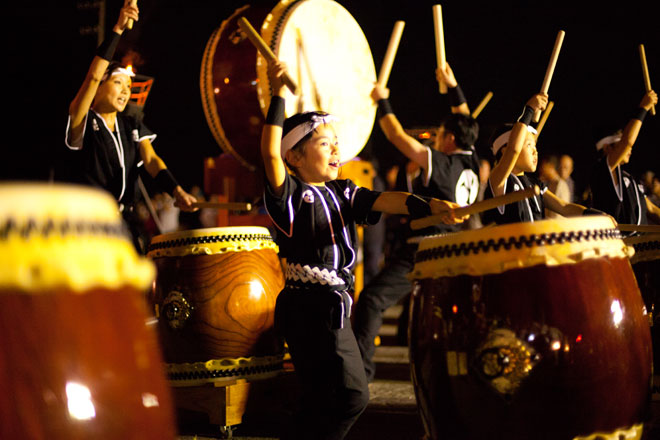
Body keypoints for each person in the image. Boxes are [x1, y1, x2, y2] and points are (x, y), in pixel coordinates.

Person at [261, 61, 465, 440]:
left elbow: (386, 200)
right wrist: (278, 95)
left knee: (323, 398)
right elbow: (269, 155)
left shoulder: (344, 192)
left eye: (336, 142)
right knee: (351, 396)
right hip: (308, 308)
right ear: (295, 157)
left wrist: (430, 205)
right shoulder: (290, 195)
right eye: (324, 143)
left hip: (329, 306)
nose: (336, 148)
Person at [353, 63, 481, 383]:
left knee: (370, 301)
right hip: (452, 249)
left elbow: (395, 135)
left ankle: (359, 373)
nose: (436, 140)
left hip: (422, 250)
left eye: (440, 135)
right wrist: (453, 88)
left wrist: (382, 100)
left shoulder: (436, 159)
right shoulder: (473, 162)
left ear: (449, 138)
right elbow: (465, 119)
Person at [64, 0, 197, 252]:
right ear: (99, 86)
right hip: (90, 226)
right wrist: (117, 29)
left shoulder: (131, 124)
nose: (126, 92)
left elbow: (151, 159)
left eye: (128, 87)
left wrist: (176, 190)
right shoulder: (83, 121)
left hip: (126, 225)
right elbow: (93, 76)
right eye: (118, 84)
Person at [482, 92, 597, 225]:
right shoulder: (498, 180)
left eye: (535, 146)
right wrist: (529, 109)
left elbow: (565, 208)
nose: (535, 151)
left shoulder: (535, 184)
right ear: (505, 149)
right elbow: (514, 150)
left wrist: (597, 215)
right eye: (529, 145)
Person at [588, 90, 660, 227]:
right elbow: (627, 142)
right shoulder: (601, 171)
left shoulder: (628, 178)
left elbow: (651, 209)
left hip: (640, 244)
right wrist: (643, 108)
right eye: (620, 144)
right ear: (607, 148)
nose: (629, 150)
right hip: (620, 243)